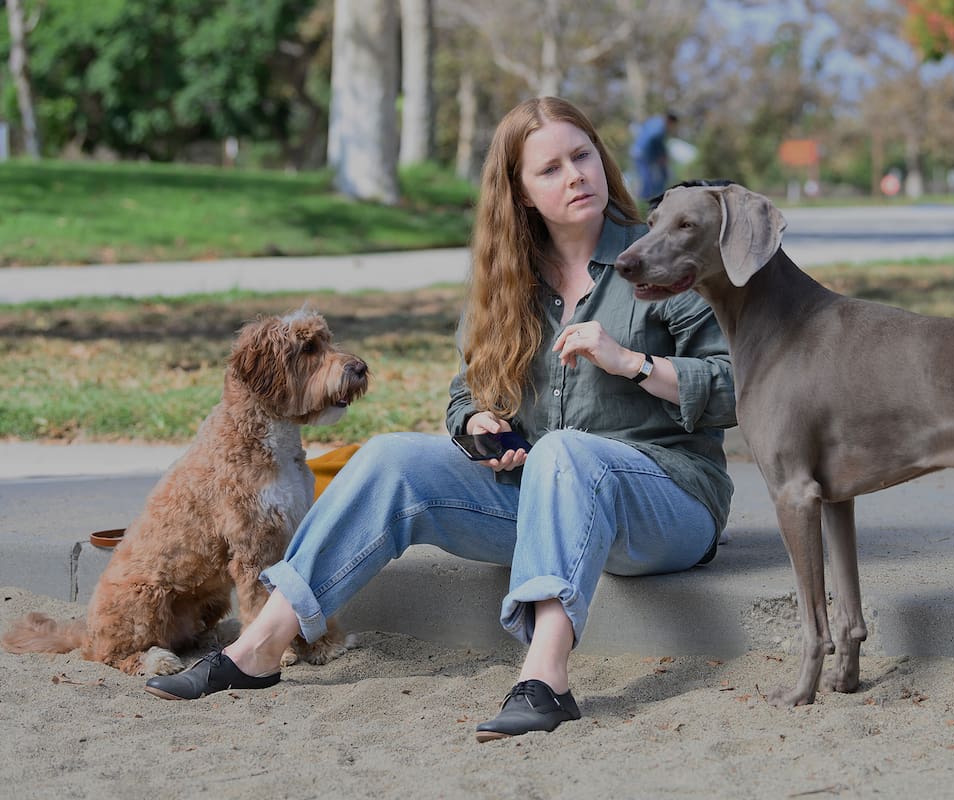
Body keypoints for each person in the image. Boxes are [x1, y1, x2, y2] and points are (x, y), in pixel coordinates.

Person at [144, 96, 736, 743]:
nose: (575, 175)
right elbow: (463, 397)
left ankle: (546, 679)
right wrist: (478, 425)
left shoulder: (668, 257)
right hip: (547, 503)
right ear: (520, 193)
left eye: (582, 156)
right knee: (392, 456)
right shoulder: (506, 285)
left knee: (566, 451)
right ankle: (258, 648)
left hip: (668, 502)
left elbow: (736, 387)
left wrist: (631, 361)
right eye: (550, 169)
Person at [630, 111, 678, 201]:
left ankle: (650, 197)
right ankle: (646, 200)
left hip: (638, 150)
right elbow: (654, 141)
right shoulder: (660, 130)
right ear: (670, 121)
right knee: (647, 179)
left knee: (649, 178)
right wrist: (660, 156)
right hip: (642, 154)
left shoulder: (655, 121)